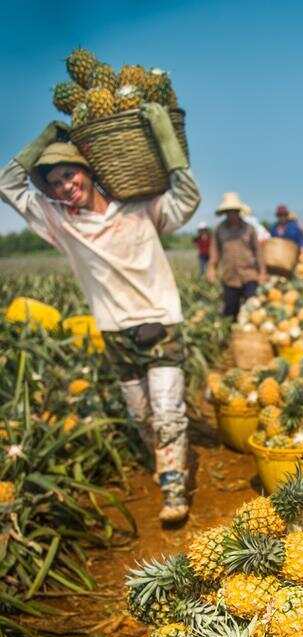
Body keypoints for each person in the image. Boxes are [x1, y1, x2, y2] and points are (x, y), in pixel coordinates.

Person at [0, 109, 200, 525]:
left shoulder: (138, 209)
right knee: (141, 415)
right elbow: (7, 184)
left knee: (166, 411)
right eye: (54, 184)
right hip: (113, 331)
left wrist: (165, 135)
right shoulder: (59, 222)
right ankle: (168, 460)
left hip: (159, 323)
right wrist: (44, 136)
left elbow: (186, 197)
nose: (65, 187)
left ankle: (173, 486)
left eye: (69, 176)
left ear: (87, 171)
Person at [207, 192, 266, 319]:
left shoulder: (249, 229)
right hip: (229, 277)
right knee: (230, 313)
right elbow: (215, 252)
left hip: (249, 275)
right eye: (228, 211)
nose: (231, 214)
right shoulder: (219, 230)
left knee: (253, 311)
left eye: (234, 211)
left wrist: (262, 273)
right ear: (225, 213)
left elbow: (258, 252)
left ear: (239, 211)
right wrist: (211, 269)